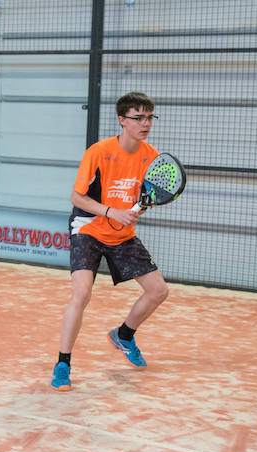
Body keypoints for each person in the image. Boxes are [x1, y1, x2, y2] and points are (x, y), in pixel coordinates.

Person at [51, 92, 169, 391]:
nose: (145, 123)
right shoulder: (99, 152)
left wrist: (137, 209)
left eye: (149, 117)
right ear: (122, 120)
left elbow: (145, 197)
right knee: (82, 293)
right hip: (89, 227)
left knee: (158, 291)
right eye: (138, 118)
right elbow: (76, 197)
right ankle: (62, 364)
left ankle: (124, 335)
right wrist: (110, 211)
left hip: (121, 233)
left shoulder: (151, 156)